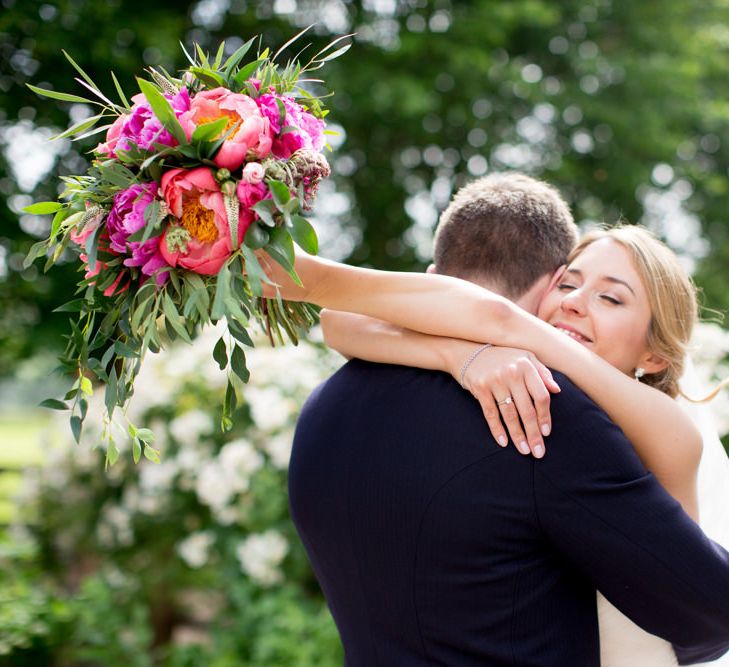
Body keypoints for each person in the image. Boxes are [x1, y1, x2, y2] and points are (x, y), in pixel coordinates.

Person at [264, 174, 729, 665]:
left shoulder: (324, 406)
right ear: (545, 285)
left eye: (610, 298)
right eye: (568, 284)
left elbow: (701, 611)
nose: (573, 301)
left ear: (656, 354)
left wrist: (309, 277)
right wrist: (457, 354)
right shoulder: (540, 409)